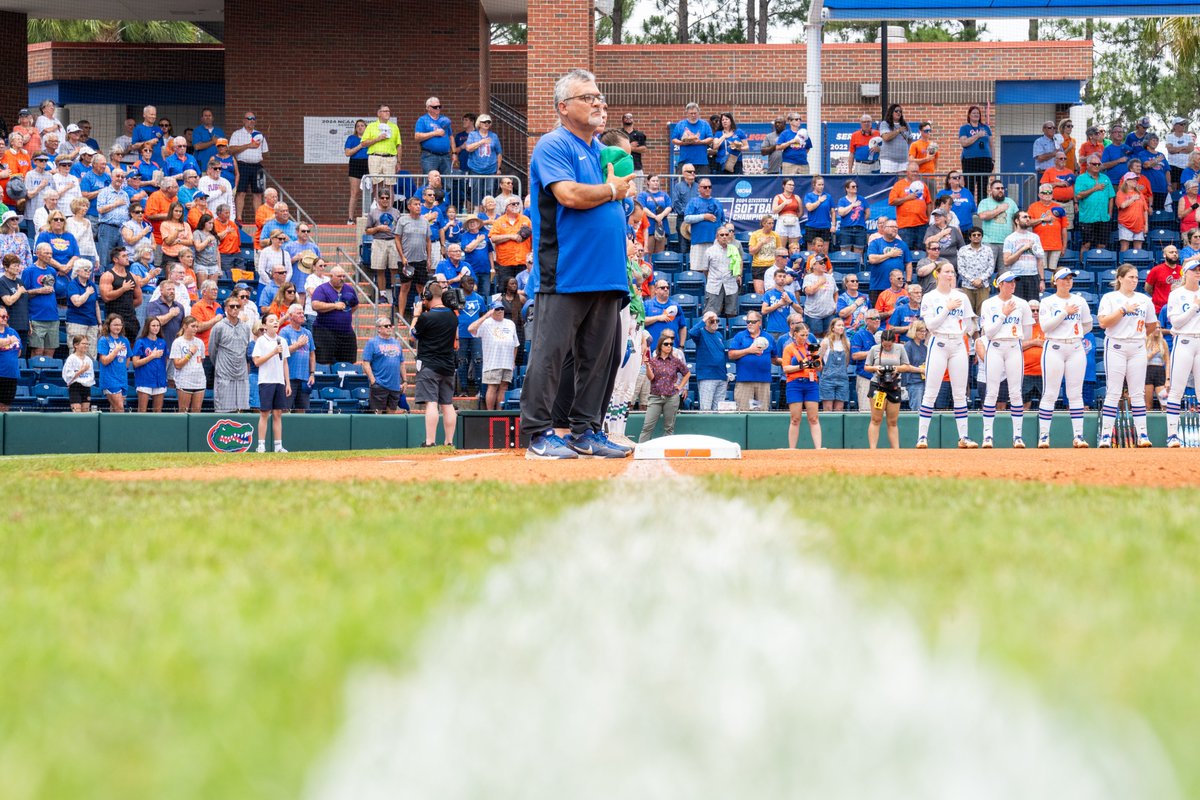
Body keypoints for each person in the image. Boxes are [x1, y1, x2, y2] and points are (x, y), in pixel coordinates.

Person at [520, 70, 635, 460]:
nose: (598, 103)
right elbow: (568, 195)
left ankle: (586, 431)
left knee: (601, 360)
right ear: (563, 107)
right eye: (588, 97)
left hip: (607, 274)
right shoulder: (553, 145)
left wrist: (620, 193)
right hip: (566, 271)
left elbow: (619, 202)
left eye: (600, 97)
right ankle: (538, 434)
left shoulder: (600, 151)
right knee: (549, 357)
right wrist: (611, 190)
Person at [915, 261, 978, 449]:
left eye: (952, 272)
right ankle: (922, 437)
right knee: (931, 391)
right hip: (938, 342)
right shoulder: (930, 297)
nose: (950, 275)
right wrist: (947, 308)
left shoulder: (962, 296)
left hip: (958, 343)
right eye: (947, 271)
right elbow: (931, 325)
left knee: (960, 393)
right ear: (937, 274)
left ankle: (964, 437)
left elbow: (969, 323)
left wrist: (963, 332)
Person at [1096, 264, 1155, 447]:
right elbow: (1103, 322)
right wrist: (1122, 310)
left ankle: (1142, 435)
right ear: (1120, 278)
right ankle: (1105, 435)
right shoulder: (1110, 297)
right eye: (1130, 277)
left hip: (1137, 346)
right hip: (1116, 345)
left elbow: (1152, 324)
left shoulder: (1144, 299)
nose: (1134, 280)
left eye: (1136, 277)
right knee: (1113, 391)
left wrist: (1139, 336)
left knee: (1137, 393)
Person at [1037, 268, 1093, 448]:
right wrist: (1064, 313)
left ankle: (1078, 436)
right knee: (1051, 392)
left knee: (1075, 393)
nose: (1068, 282)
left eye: (1070, 279)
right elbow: (1045, 327)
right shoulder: (1047, 301)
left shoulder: (1080, 300)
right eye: (1064, 279)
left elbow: (1088, 324)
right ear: (1055, 281)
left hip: (1075, 347)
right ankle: (1044, 436)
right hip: (1054, 346)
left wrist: (1074, 335)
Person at [978, 271, 1033, 447]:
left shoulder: (1022, 304)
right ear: (1000, 284)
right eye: (1008, 282)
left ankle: (1017, 436)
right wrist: (1003, 314)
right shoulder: (989, 303)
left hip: (1014, 347)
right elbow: (989, 332)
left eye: (1014, 282)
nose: (1012, 285)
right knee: (992, 392)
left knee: (1016, 392)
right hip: (994, 346)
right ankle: (987, 436)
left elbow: (1027, 333)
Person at [412, 281, 459, 447]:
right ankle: (449, 442)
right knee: (447, 404)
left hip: (429, 365)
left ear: (428, 296)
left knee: (431, 402)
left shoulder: (426, 317)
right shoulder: (453, 316)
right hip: (448, 365)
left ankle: (430, 441)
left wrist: (417, 314)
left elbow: (413, 335)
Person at [1164, 260, 1200, 445]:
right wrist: (1195, 307)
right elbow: (1176, 323)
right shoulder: (1177, 294)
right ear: (1185, 273)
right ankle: (1172, 435)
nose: (1197, 272)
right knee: (1177, 390)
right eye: (1194, 270)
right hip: (1184, 341)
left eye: (1199, 269)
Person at [863, 329, 914, 448]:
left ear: (894, 342)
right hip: (878, 386)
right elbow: (866, 367)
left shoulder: (900, 348)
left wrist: (897, 369)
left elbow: (906, 366)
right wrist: (876, 368)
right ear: (881, 342)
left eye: (889, 345)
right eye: (884, 345)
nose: (887, 347)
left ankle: (896, 450)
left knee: (892, 421)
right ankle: (872, 449)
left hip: (894, 385)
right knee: (876, 419)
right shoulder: (874, 349)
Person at [637, 330, 689, 442]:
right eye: (666, 344)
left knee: (669, 427)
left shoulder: (676, 361)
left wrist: (680, 387)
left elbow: (687, 373)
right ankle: (642, 448)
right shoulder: (653, 361)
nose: (669, 346)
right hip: (655, 396)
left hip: (671, 396)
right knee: (647, 426)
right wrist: (647, 366)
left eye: (671, 344)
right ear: (660, 346)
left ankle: (667, 450)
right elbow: (651, 378)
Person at [252, 314, 291, 452]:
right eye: (271, 321)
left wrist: (287, 383)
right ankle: (261, 445)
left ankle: (278, 446)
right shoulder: (261, 341)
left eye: (276, 320)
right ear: (264, 325)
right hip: (266, 380)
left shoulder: (283, 341)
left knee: (278, 414)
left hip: (279, 381)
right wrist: (273, 352)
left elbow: (285, 363)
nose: (275, 323)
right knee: (264, 413)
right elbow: (256, 361)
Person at [208, 295, 251, 413]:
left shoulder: (246, 328)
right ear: (226, 308)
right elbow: (212, 350)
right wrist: (220, 365)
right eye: (232, 306)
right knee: (224, 408)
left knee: (241, 408)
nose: (235, 309)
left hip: (241, 373)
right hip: (224, 373)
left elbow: (246, 349)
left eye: (238, 306)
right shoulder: (219, 327)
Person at [728, 312, 777, 411]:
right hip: (744, 381)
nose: (750, 324)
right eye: (748, 321)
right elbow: (731, 355)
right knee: (743, 411)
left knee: (762, 413)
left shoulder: (769, 337)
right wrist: (748, 350)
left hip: (763, 381)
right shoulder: (740, 336)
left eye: (753, 322)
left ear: (760, 323)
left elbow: (774, 358)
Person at [228, 111, 268, 219]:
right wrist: (248, 145)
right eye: (248, 118)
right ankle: (239, 218)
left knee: (258, 193)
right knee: (241, 192)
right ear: (243, 120)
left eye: (253, 119)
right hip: (242, 165)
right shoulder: (237, 134)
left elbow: (265, 152)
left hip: (257, 167)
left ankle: (258, 218)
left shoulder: (260, 135)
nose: (251, 121)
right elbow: (231, 149)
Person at [1002, 211, 1047, 303]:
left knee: (1033, 306)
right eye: (1025, 217)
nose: (1028, 219)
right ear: (1017, 221)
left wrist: (1042, 280)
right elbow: (1006, 261)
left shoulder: (1035, 237)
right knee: (1018, 306)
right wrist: (1023, 249)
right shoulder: (1010, 239)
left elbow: (1040, 260)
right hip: (1017, 277)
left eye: (1029, 217)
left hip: (1033, 276)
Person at [1074, 155, 1116, 252]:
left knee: (1102, 245)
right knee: (1086, 244)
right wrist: (1094, 188)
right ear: (1088, 165)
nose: (1097, 166)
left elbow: (1111, 197)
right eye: (1094, 164)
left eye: (1098, 164)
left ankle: (1098, 264)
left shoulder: (1105, 178)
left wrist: (1109, 214)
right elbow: (1079, 195)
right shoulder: (1081, 178)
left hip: (1103, 217)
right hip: (1087, 217)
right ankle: (1082, 265)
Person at [866, 220, 912, 306]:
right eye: (892, 227)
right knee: (877, 314)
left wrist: (908, 282)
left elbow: (908, 264)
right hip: (878, 285)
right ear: (884, 228)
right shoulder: (875, 243)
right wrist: (890, 254)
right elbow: (872, 259)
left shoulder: (902, 244)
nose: (895, 229)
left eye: (896, 227)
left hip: (898, 287)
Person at [1028, 183, 1070, 276]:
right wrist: (1042, 219)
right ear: (1039, 195)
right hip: (1040, 245)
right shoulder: (1033, 206)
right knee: (1041, 269)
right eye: (1045, 192)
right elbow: (1028, 222)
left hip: (1056, 245)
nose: (1047, 194)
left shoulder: (1059, 207)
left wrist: (1064, 246)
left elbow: (1064, 228)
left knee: (1053, 271)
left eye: (1050, 192)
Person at [702, 225, 742, 319]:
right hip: (714, 285)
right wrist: (713, 278)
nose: (724, 237)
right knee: (711, 314)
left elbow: (739, 262)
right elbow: (705, 269)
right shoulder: (710, 251)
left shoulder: (734, 249)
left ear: (729, 236)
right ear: (717, 237)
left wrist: (739, 275)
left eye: (726, 234)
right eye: (722, 235)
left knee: (731, 312)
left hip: (731, 284)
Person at [131, 316, 168, 412]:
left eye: (158, 325)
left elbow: (165, 360)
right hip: (144, 380)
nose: (156, 328)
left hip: (159, 380)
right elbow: (135, 363)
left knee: (157, 412)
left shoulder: (162, 342)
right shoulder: (140, 342)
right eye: (153, 325)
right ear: (148, 326)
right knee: (142, 411)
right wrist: (152, 356)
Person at [170, 315, 206, 412]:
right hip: (184, 381)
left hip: (199, 381)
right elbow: (177, 365)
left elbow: (201, 360)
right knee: (183, 411)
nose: (195, 329)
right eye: (193, 326)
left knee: (197, 411)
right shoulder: (178, 342)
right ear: (185, 326)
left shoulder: (200, 342)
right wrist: (190, 353)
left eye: (196, 326)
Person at [977, 180, 1018, 265]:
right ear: (991, 190)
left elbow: (1017, 220)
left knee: (1005, 272)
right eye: (997, 188)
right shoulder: (985, 202)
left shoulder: (1011, 202)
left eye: (1002, 188)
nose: (1000, 190)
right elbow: (983, 216)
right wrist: (999, 209)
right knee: (987, 268)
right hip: (989, 242)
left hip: (1007, 242)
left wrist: (1015, 237)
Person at [96, 314, 131, 412]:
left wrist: (123, 370)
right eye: (115, 325)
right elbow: (104, 361)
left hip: (122, 379)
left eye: (120, 325)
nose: (118, 327)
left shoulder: (124, 340)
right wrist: (116, 350)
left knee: (115, 409)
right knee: (120, 408)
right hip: (110, 379)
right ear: (108, 325)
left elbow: (128, 358)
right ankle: (122, 427)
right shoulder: (104, 340)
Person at [959, 105, 994, 198]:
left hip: (985, 160)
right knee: (970, 186)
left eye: (978, 113)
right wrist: (977, 135)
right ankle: (970, 209)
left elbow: (991, 145)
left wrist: (993, 160)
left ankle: (981, 209)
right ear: (969, 115)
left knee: (983, 187)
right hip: (970, 160)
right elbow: (964, 143)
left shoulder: (986, 127)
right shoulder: (964, 128)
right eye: (974, 113)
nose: (976, 115)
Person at [817, 317, 850, 412]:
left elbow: (846, 362)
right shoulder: (825, 342)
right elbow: (819, 359)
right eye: (839, 325)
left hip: (842, 379)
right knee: (827, 408)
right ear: (832, 328)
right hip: (828, 379)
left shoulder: (847, 343)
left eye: (843, 325)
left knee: (839, 408)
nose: (841, 327)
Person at [671, 103, 713, 174]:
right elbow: (674, 140)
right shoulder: (680, 125)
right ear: (687, 113)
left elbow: (710, 138)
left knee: (702, 183)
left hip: (701, 162)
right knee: (683, 183)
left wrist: (700, 142)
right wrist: (683, 143)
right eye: (691, 113)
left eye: (695, 113)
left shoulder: (705, 124)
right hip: (685, 161)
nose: (693, 115)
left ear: (698, 113)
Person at [748, 215, 783, 294]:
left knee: (773, 291)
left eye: (772, 223)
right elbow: (751, 251)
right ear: (763, 224)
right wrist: (761, 243)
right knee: (760, 292)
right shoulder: (755, 234)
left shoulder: (775, 235)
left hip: (772, 266)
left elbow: (779, 251)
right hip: (758, 266)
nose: (771, 225)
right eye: (769, 223)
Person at [1115, 172, 1149, 252]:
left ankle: (1137, 264)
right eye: (1133, 180)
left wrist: (1146, 224)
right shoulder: (1121, 193)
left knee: (1138, 248)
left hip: (1139, 224)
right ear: (1126, 181)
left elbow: (1145, 210)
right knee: (1124, 247)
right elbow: (1122, 205)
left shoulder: (1140, 193)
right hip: (1125, 224)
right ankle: (1123, 264)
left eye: (1136, 180)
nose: (1135, 181)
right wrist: (1132, 199)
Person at [62, 335, 95, 412]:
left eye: (87, 344)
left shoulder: (89, 360)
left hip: (86, 388)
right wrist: (81, 370)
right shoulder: (71, 358)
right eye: (83, 343)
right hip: (75, 387)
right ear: (76, 345)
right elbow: (68, 376)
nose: (86, 346)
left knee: (85, 412)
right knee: (77, 412)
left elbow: (91, 376)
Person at [835, 179, 870, 254]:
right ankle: (846, 266)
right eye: (853, 186)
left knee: (859, 252)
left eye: (856, 186)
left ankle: (859, 266)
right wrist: (852, 205)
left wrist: (860, 221)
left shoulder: (862, 199)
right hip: (846, 229)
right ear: (847, 188)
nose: (855, 188)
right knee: (845, 252)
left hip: (859, 229)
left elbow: (867, 213)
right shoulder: (842, 200)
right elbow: (841, 213)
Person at [1145, 245, 1182, 314]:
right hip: (1159, 310)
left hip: (1178, 309)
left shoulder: (1182, 270)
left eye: (1176, 252)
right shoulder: (1156, 270)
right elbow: (1147, 288)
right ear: (1164, 255)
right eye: (1171, 252)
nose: (1174, 254)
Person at [878, 103, 913, 174]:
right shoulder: (885, 124)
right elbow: (886, 137)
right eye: (896, 111)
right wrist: (898, 130)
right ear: (891, 112)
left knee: (902, 183)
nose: (899, 113)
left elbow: (910, 140)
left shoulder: (906, 125)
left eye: (900, 111)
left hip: (903, 161)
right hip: (889, 161)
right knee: (889, 183)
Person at [771, 178, 803, 250]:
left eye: (793, 185)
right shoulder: (778, 197)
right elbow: (774, 211)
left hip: (794, 222)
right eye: (789, 185)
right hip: (782, 222)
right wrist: (784, 203)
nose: (791, 186)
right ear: (784, 186)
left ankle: (794, 260)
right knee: (780, 248)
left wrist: (794, 217)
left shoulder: (796, 197)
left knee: (794, 247)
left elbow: (801, 212)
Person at [1144, 327, 1169, 412]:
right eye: (1155, 328)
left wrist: (1167, 379)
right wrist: (1152, 353)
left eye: (1159, 327)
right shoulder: (1144, 341)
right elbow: (1140, 360)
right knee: (1148, 405)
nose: (1157, 329)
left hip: (1160, 372)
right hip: (1147, 371)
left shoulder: (1163, 342)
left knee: (1164, 404)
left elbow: (1168, 362)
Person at [0, 305, 20, 410]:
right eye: (2, 316)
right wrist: (9, 341)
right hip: (0, 374)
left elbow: (19, 352)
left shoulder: (12, 332)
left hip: (12, 375)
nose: (5, 318)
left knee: (5, 407)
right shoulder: (12, 336)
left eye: (6, 316)